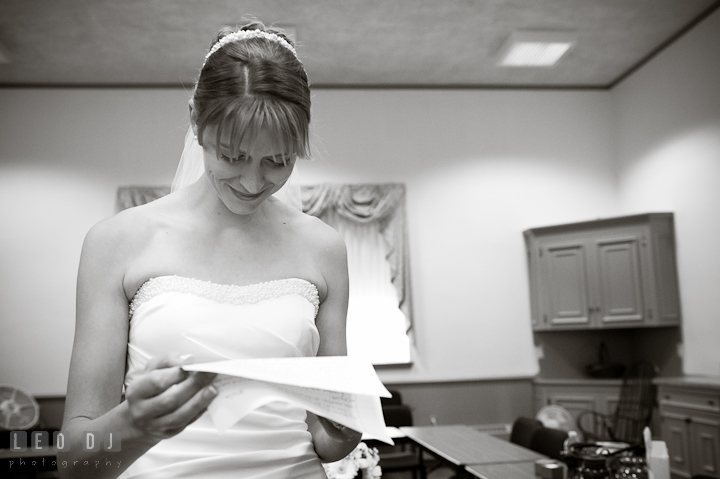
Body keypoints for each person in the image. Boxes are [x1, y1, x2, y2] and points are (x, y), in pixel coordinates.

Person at [59, 20, 361, 479]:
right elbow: (72, 462)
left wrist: (340, 435)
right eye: (232, 156)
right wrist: (133, 422)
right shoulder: (116, 242)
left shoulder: (324, 248)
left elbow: (324, 432)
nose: (252, 182)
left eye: (277, 161)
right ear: (196, 122)